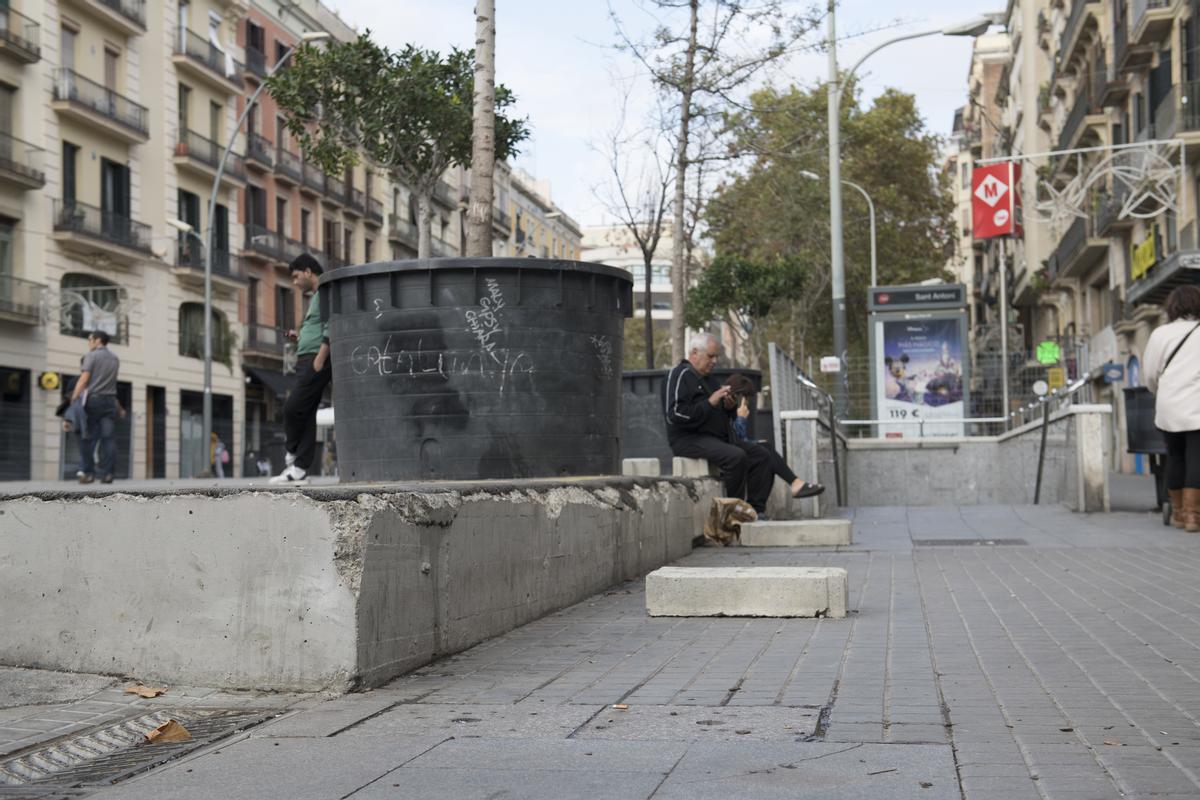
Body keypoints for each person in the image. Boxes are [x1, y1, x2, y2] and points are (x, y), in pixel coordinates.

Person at [664, 334, 823, 518]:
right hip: (689, 439)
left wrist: (728, 407)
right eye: (711, 356)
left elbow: (717, 413)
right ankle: (734, 515)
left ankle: (756, 512)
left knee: (762, 454)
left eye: (716, 357)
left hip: (716, 438)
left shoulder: (709, 380)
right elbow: (674, 414)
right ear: (694, 353)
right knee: (736, 456)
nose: (715, 361)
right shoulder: (679, 374)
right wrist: (711, 402)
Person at [270, 252, 331, 485]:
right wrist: (300, 335)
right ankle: (300, 470)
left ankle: (292, 451)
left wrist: (321, 356)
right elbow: (318, 324)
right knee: (305, 413)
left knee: (292, 408)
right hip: (305, 358)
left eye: (296, 277)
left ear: (308, 272)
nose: (294, 282)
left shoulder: (325, 289)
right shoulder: (316, 296)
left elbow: (330, 323)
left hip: (315, 359)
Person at [1144, 284, 1200, 532]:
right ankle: (1193, 516)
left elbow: (1150, 375)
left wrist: (1162, 390)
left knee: (1175, 456)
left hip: (1170, 406)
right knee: (1197, 458)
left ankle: (1178, 513)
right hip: (1198, 404)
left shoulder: (1160, 334)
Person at [724, 373, 825, 501]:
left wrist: (754, 442)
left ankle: (792, 486)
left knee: (765, 448)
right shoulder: (726, 407)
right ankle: (793, 484)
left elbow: (739, 440)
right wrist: (741, 419)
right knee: (765, 452)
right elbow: (735, 438)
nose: (746, 403)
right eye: (744, 399)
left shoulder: (733, 409)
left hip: (733, 449)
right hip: (726, 454)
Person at [71, 330, 120, 484]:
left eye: (90, 339)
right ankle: (107, 474)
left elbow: (84, 379)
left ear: (98, 340)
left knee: (87, 437)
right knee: (108, 438)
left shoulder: (91, 355)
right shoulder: (115, 358)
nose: (89, 342)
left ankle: (89, 473)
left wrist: (74, 398)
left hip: (94, 400)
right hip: (110, 400)